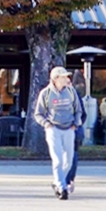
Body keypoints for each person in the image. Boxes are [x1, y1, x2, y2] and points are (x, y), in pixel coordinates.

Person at [33, 66, 83, 200]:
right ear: (55, 79)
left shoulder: (71, 91)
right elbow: (38, 114)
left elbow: (78, 110)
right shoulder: (46, 93)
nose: (67, 79)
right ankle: (62, 187)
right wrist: (47, 124)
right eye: (64, 77)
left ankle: (56, 182)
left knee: (69, 161)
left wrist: (75, 123)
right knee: (57, 160)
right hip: (53, 129)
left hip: (69, 129)